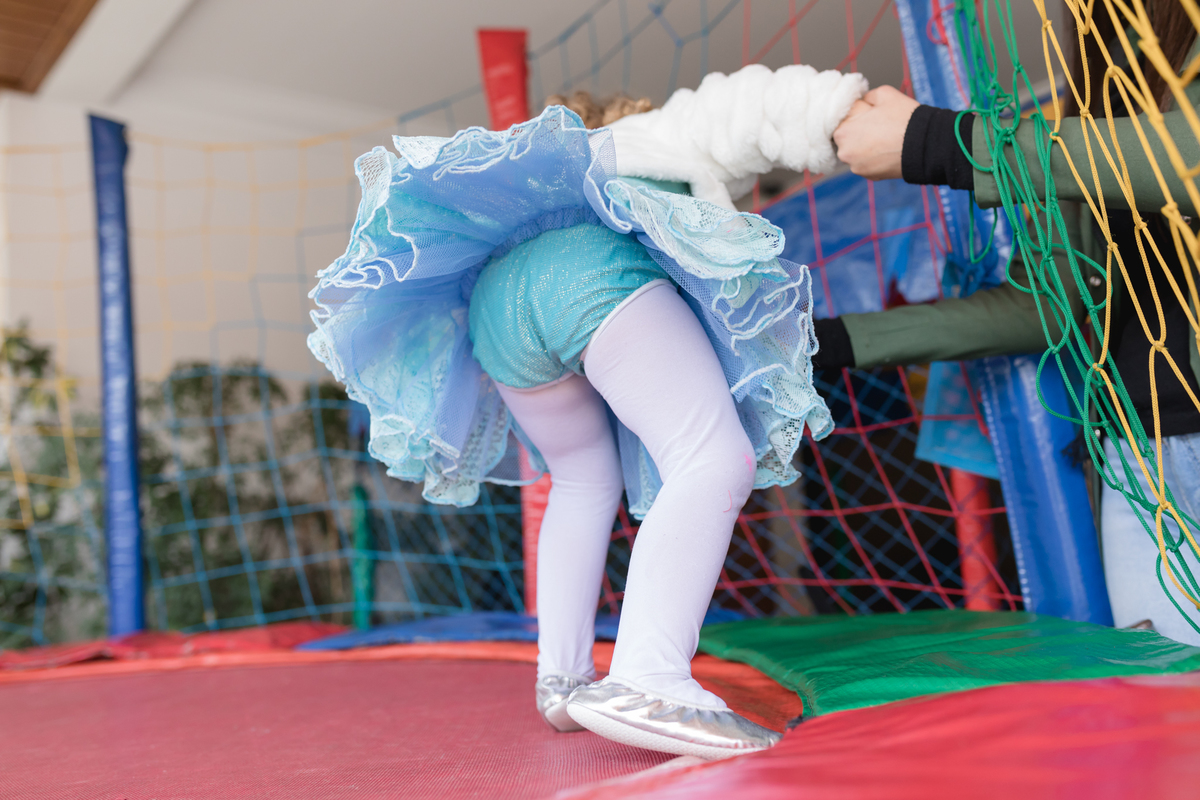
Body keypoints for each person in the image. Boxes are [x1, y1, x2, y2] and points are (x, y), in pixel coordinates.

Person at [308, 64, 867, 757]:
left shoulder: (542, 182)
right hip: (591, 278)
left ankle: (562, 681)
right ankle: (649, 676)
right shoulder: (653, 132)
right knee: (712, 458)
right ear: (625, 113)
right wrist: (840, 110)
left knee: (580, 482)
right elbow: (742, 108)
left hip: (498, 309)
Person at [830, 0, 1200, 645]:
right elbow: (1045, 306)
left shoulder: (1065, 142)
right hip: (1140, 460)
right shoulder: (1091, 102)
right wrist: (831, 340)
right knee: (1165, 707)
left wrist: (938, 140)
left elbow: (1183, 158)